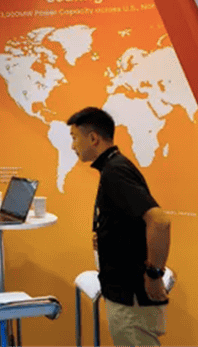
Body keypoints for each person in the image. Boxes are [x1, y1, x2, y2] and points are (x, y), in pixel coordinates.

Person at [68, 107, 172, 347]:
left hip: (131, 295)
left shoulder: (115, 171)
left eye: (75, 138)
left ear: (93, 138)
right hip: (123, 292)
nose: (73, 146)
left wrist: (154, 275)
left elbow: (159, 221)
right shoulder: (113, 167)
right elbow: (133, 220)